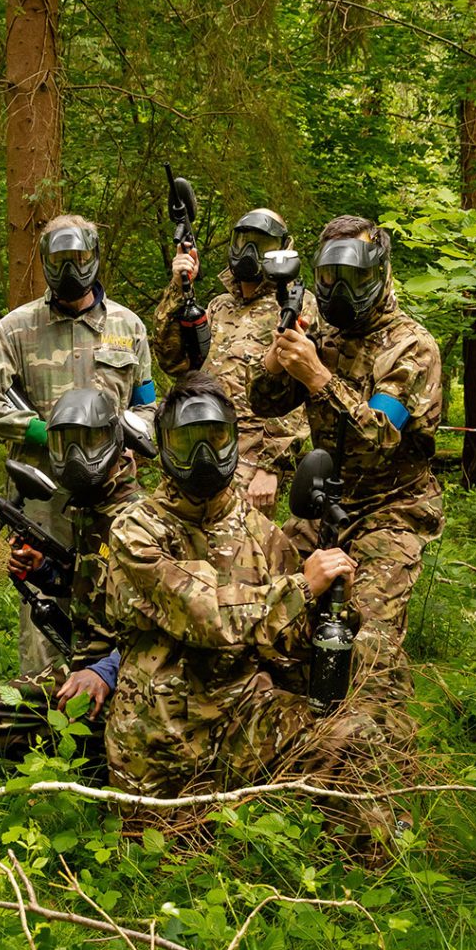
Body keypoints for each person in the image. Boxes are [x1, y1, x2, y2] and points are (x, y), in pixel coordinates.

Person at [104, 373, 411, 842]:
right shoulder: (135, 531)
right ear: (164, 447)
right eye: (187, 442)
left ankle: (366, 884)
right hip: (162, 737)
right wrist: (301, 588)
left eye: (216, 438)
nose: (202, 456)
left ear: (233, 439)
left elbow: (284, 643)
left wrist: (332, 609)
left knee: (356, 732)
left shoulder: (257, 528)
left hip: (245, 712)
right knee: (166, 867)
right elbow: (206, 615)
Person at [247, 215, 443, 716]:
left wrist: (317, 376)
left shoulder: (411, 346)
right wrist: (277, 359)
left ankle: (376, 758)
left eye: (352, 278)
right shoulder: (326, 337)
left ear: (379, 273)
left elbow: (380, 435)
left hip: (392, 509)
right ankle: (287, 725)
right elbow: (264, 403)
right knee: (267, 598)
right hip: (323, 502)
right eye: (330, 279)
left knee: (368, 634)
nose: (339, 292)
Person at [0, 214, 156, 673]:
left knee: (121, 596)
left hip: (114, 493)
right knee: (44, 602)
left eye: (79, 258)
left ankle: (117, 699)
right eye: (58, 259)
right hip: (46, 494)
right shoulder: (17, 328)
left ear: (94, 258)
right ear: (44, 262)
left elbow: (147, 404)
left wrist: (128, 438)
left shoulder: (128, 327)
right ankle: (44, 719)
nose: (70, 269)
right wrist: (37, 431)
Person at [0, 389, 144, 762]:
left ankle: (103, 752)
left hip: (135, 675)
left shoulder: (141, 521)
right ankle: (87, 751)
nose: (76, 457)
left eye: (87, 443)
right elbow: (91, 590)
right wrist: (44, 572)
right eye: (64, 445)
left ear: (113, 441)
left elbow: (165, 632)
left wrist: (106, 673)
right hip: (83, 667)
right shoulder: (89, 510)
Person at [153, 208, 317, 516]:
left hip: (253, 456)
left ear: (282, 249)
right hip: (200, 443)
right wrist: (179, 286)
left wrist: (271, 466)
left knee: (240, 555)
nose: (250, 253)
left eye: (262, 243)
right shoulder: (219, 306)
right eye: (244, 241)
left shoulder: (296, 304)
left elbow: (300, 389)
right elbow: (174, 362)